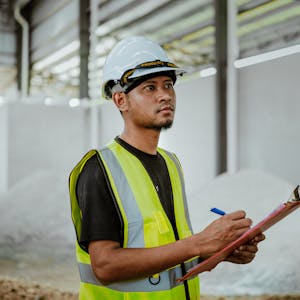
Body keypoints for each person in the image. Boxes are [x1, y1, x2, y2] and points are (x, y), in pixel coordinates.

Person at [69, 36, 265, 300]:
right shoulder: (99, 168)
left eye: (168, 85)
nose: (165, 95)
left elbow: (169, 259)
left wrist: (218, 251)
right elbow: (105, 265)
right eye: (149, 87)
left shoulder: (170, 163)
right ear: (120, 100)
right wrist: (199, 242)